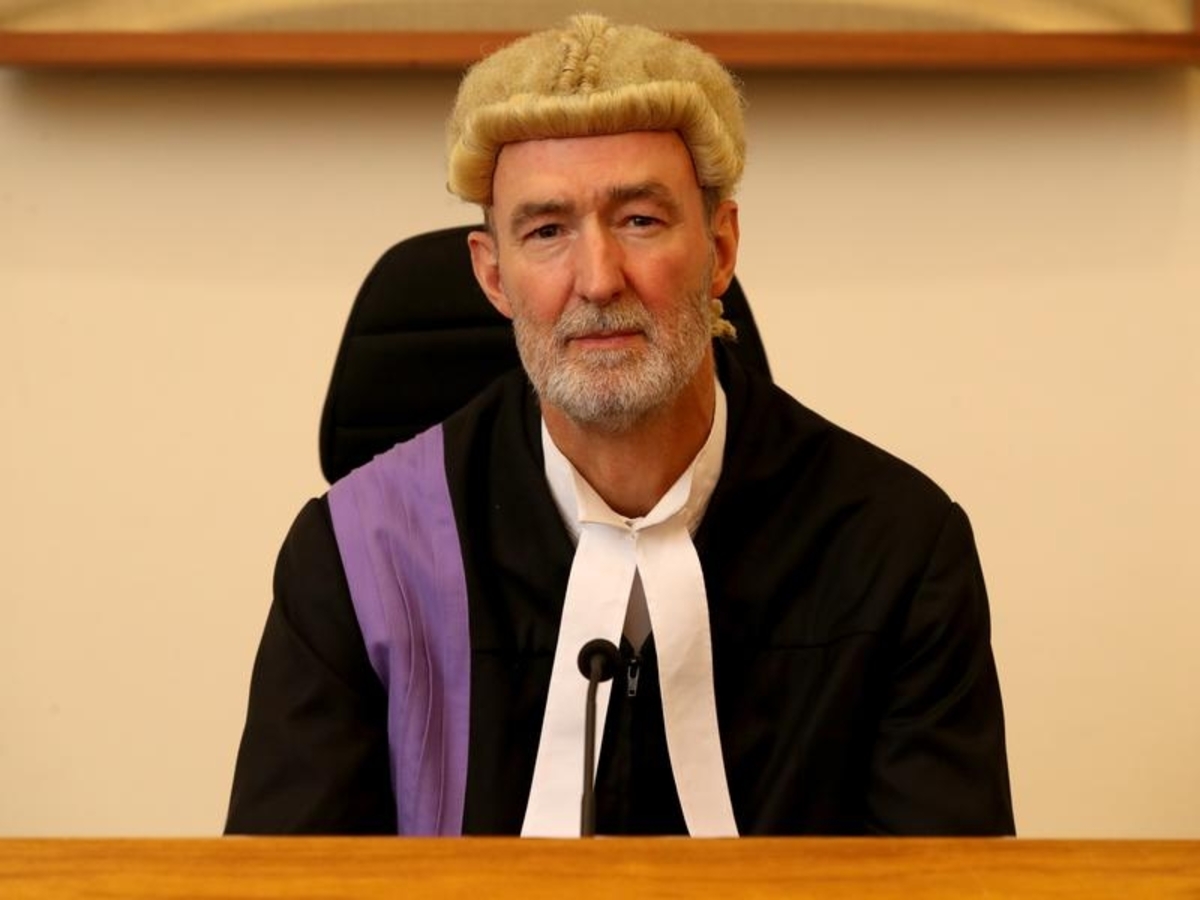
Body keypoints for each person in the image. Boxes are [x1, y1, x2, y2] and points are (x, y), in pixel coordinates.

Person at [226, 14, 1014, 837]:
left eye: (640, 219)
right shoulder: (356, 560)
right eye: (546, 231)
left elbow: (945, 882)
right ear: (492, 276)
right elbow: (282, 882)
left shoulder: (896, 550)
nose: (599, 279)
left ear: (720, 246)